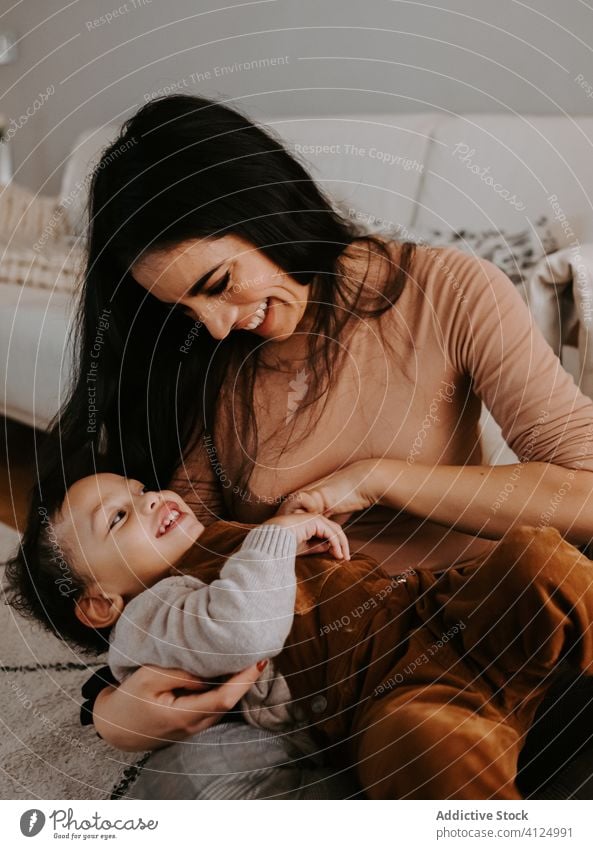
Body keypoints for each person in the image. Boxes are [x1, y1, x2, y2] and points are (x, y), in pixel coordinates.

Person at [25, 92, 593, 788]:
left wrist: (378, 478)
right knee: (187, 782)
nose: (213, 324)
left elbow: (584, 491)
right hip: (339, 686)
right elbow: (170, 567)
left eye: (217, 283)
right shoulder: (214, 363)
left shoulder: (446, 290)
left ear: (261, 210)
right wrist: (111, 708)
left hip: (488, 620)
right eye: (184, 307)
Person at [8, 469, 593, 798]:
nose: (151, 500)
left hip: (430, 610)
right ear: (99, 604)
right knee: (423, 744)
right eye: (117, 518)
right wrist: (277, 536)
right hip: (382, 693)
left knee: (537, 556)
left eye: (139, 490)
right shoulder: (148, 618)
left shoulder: (222, 536)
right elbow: (244, 631)